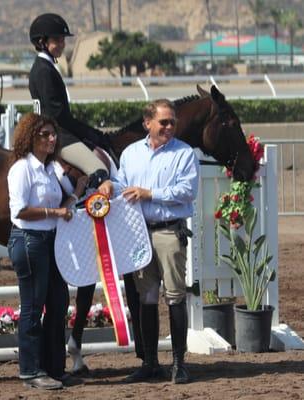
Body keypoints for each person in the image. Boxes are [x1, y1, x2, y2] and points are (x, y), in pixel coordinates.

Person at [99, 99, 199, 384]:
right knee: (147, 297)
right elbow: (123, 185)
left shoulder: (184, 153)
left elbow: (187, 191)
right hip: (140, 232)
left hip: (169, 231)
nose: (169, 127)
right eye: (163, 122)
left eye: (172, 122)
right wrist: (110, 185)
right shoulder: (131, 154)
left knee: (176, 295)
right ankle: (151, 362)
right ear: (147, 123)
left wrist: (150, 193)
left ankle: (180, 362)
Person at [7, 112, 87, 390]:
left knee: (58, 302)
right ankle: (30, 370)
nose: (52, 139)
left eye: (53, 134)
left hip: (51, 241)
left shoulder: (51, 169)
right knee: (32, 306)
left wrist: (77, 190)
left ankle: (54, 367)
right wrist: (55, 211)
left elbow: (66, 201)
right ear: (31, 138)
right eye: (45, 135)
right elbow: (19, 210)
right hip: (29, 241)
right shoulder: (22, 169)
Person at [28, 13, 114, 189]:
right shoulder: (44, 71)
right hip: (59, 136)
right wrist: (90, 133)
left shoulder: (45, 66)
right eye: (56, 40)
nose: (61, 44)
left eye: (62, 40)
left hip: (54, 131)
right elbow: (58, 115)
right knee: (100, 170)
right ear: (41, 42)